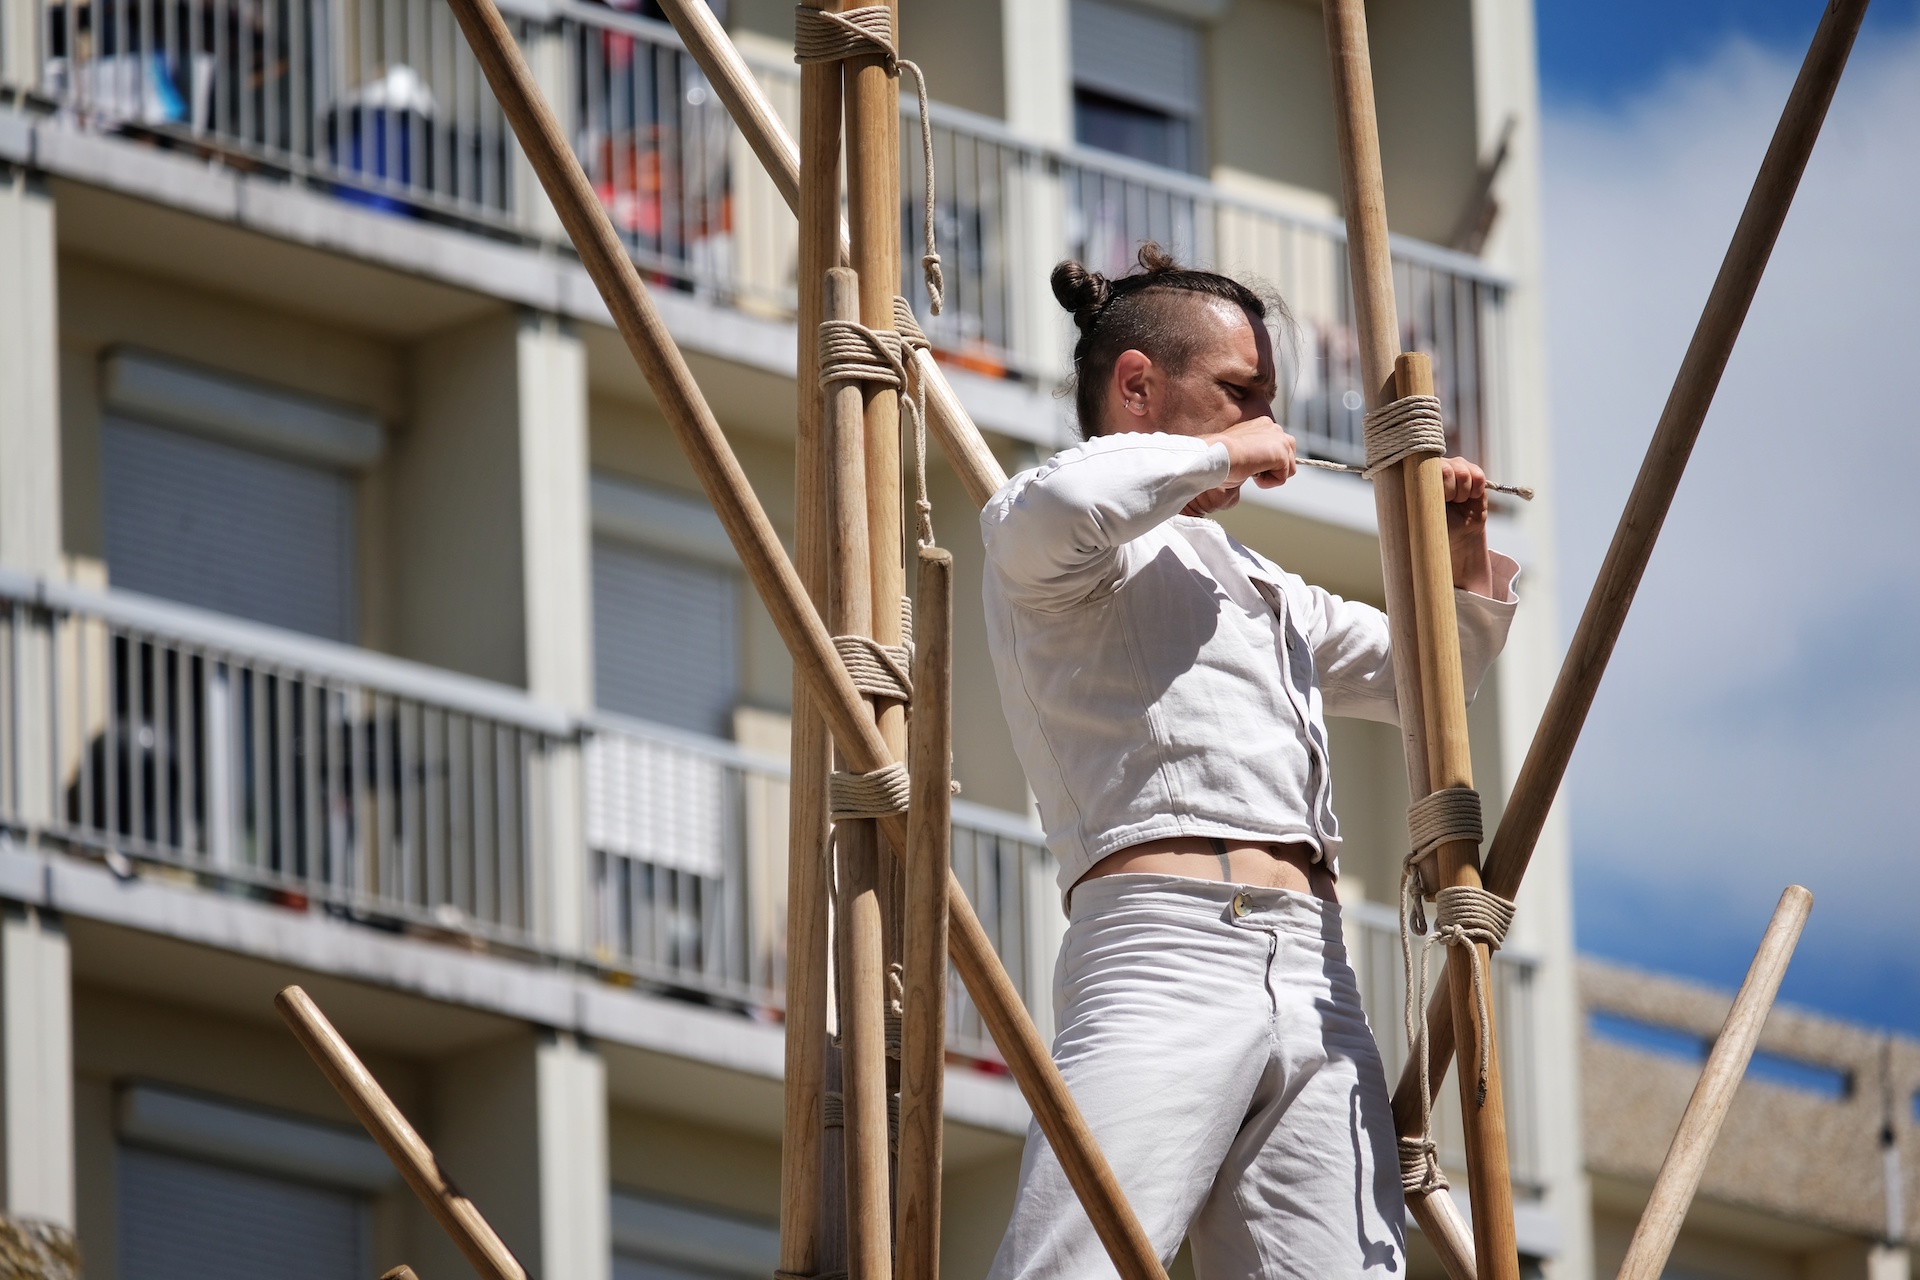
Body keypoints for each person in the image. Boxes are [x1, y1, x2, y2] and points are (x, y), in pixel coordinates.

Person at [979, 244, 1520, 1280]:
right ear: (1137, 386)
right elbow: (1073, 506)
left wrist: (1457, 552)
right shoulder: (1044, 520)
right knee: (1076, 1261)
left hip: (1317, 967)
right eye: (1241, 392)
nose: (1270, 426)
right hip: (1164, 951)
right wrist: (1225, 454)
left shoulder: (1264, 584)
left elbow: (1428, 685)